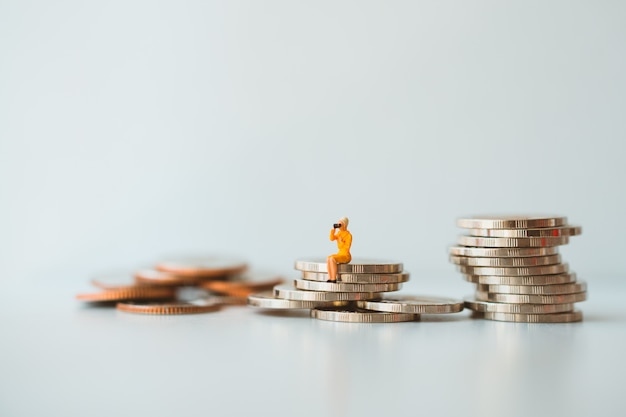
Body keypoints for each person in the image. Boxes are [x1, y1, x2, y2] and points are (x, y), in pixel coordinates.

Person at [326, 217, 352, 283]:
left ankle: (333, 278)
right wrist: (332, 231)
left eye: (340, 224)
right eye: (338, 224)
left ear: (345, 225)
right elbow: (332, 239)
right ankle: (329, 277)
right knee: (328, 258)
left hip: (346, 255)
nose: (339, 226)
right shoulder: (339, 233)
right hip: (340, 253)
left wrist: (341, 242)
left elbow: (347, 247)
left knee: (332, 259)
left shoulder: (348, 235)